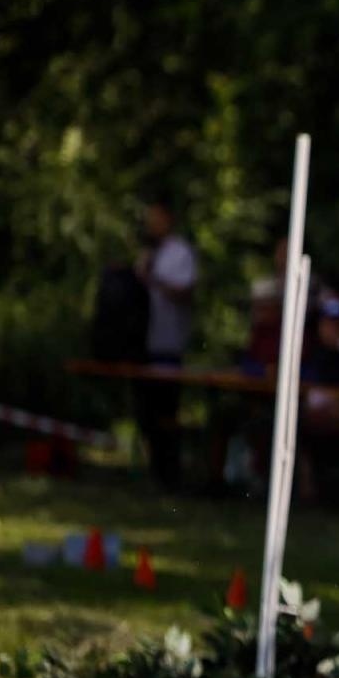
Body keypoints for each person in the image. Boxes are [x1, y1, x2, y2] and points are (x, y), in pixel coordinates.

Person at [133, 196, 198, 489]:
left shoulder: (180, 253)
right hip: (143, 344)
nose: (151, 224)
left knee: (166, 414)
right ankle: (154, 470)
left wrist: (154, 280)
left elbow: (186, 293)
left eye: (156, 217)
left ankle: (171, 472)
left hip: (169, 345)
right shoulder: (147, 252)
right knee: (146, 413)